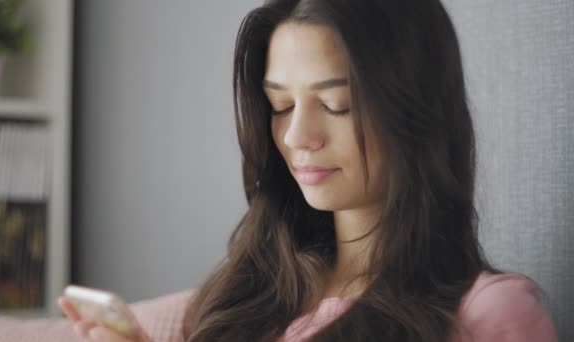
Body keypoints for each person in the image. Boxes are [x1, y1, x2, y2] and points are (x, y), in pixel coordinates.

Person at [59, 0, 559, 341]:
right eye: (280, 105)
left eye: (336, 104)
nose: (298, 136)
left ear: (417, 111)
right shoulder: (249, 288)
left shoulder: (488, 315)